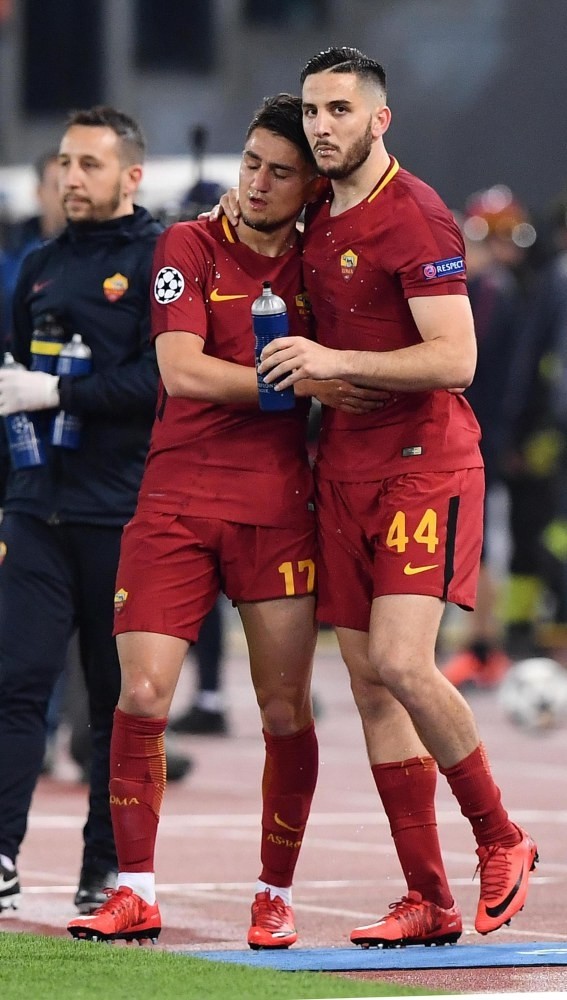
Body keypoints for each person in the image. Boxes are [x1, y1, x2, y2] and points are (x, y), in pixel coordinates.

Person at [66, 93, 379, 948]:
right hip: (174, 499)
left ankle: (274, 894)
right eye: (250, 163)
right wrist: (303, 384)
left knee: (283, 710)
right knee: (139, 694)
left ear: (313, 187)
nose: (257, 183)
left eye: (280, 172)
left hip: (275, 508)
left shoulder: (322, 264)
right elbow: (184, 372)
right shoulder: (188, 244)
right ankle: (135, 888)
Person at [256, 47, 537, 946]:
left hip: (424, 464)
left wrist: (332, 360)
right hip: (342, 467)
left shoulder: (414, 213)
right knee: (371, 687)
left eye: (339, 110)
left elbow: (457, 359)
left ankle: (500, 836)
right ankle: (428, 899)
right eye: (312, 110)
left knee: (404, 663)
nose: (321, 126)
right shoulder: (313, 210)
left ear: (380, 119)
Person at [0, 105, 191, 918]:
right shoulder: (39, 263)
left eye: (89, 164)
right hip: (36, 506)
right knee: (14, 683)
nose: (70, 178)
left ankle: (106, 867)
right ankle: (1, 855)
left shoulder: (160, 260)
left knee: (120, 701)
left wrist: (60, 392)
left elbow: (162, 378)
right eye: (64, 164)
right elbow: (14, 383)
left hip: (123, 512)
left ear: (131, 175)